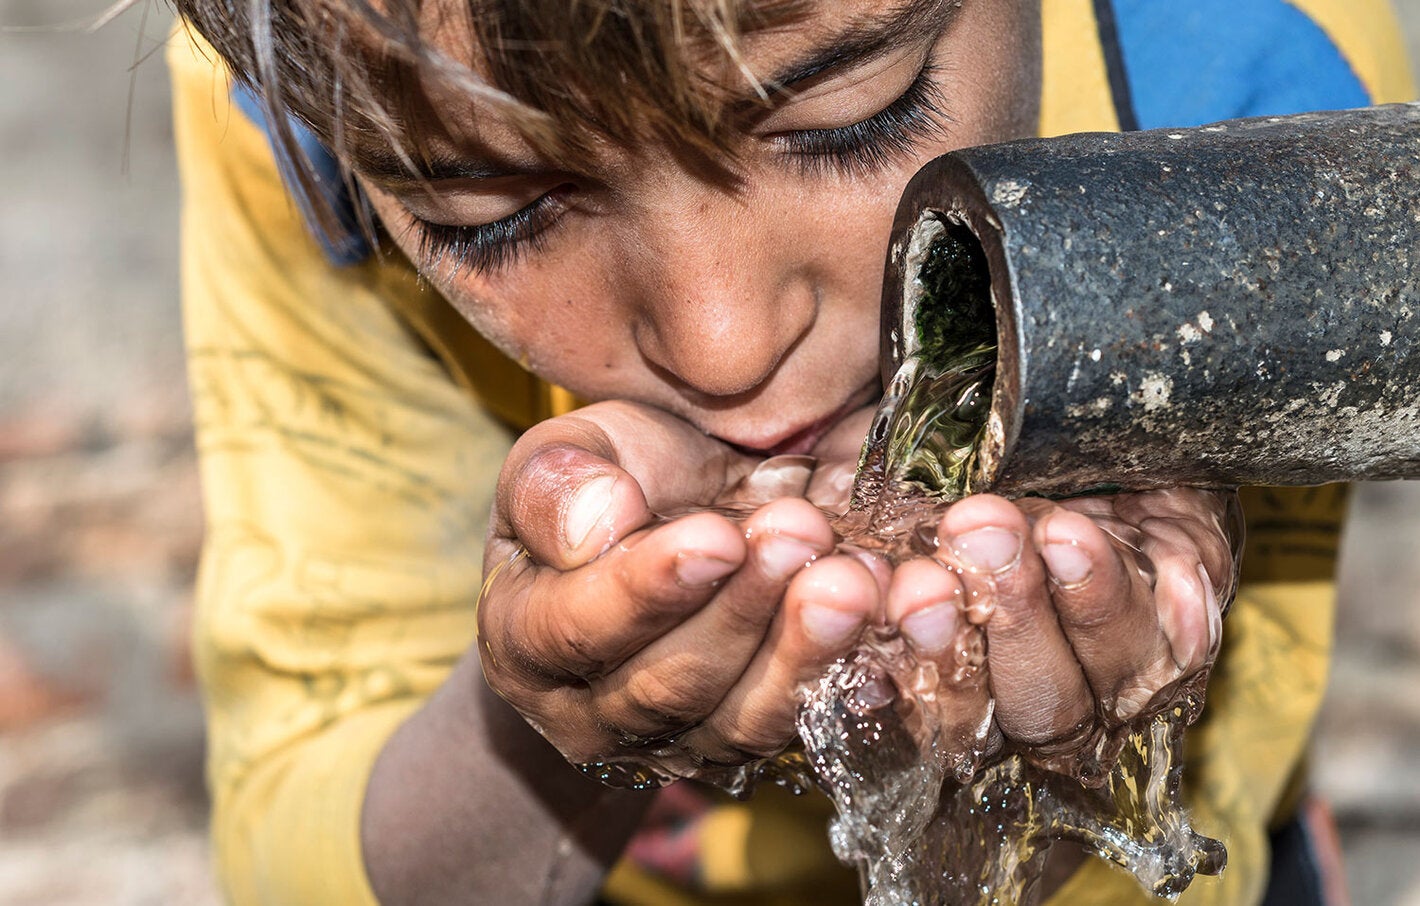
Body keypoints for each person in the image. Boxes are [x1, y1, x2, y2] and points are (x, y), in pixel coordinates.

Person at [165, 0, 1413, 903]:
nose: (724, 347)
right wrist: (553, 714)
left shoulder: (1259, 103)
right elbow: (297, 840)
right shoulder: (328, 73)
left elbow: (1203, 859)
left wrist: (1077, 774)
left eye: (843, 116)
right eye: (493, 213)